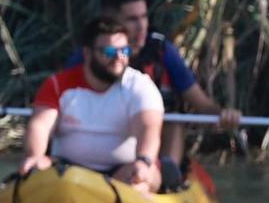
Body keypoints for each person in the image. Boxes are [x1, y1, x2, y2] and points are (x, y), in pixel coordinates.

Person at [64, 0, 241, 189]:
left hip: (154, 140)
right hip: (106, 135)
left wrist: (224, 114)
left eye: (143, 17)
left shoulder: (161, 51)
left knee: (174, 116)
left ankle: (166, 175)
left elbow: (200, 102)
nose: (141, 27)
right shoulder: (89, 55)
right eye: (131, 19)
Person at [16, 15, 166, 193]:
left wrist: (144, 160)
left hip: (125, 171)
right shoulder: (58, 84)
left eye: (124, 51)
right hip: (67, 172)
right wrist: (36, 156)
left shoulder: (140, 86)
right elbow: (40, 124)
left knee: (142, 179)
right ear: (87, 53)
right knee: (38, 169)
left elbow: (148, 127)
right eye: (109, 52)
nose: (119, 58)